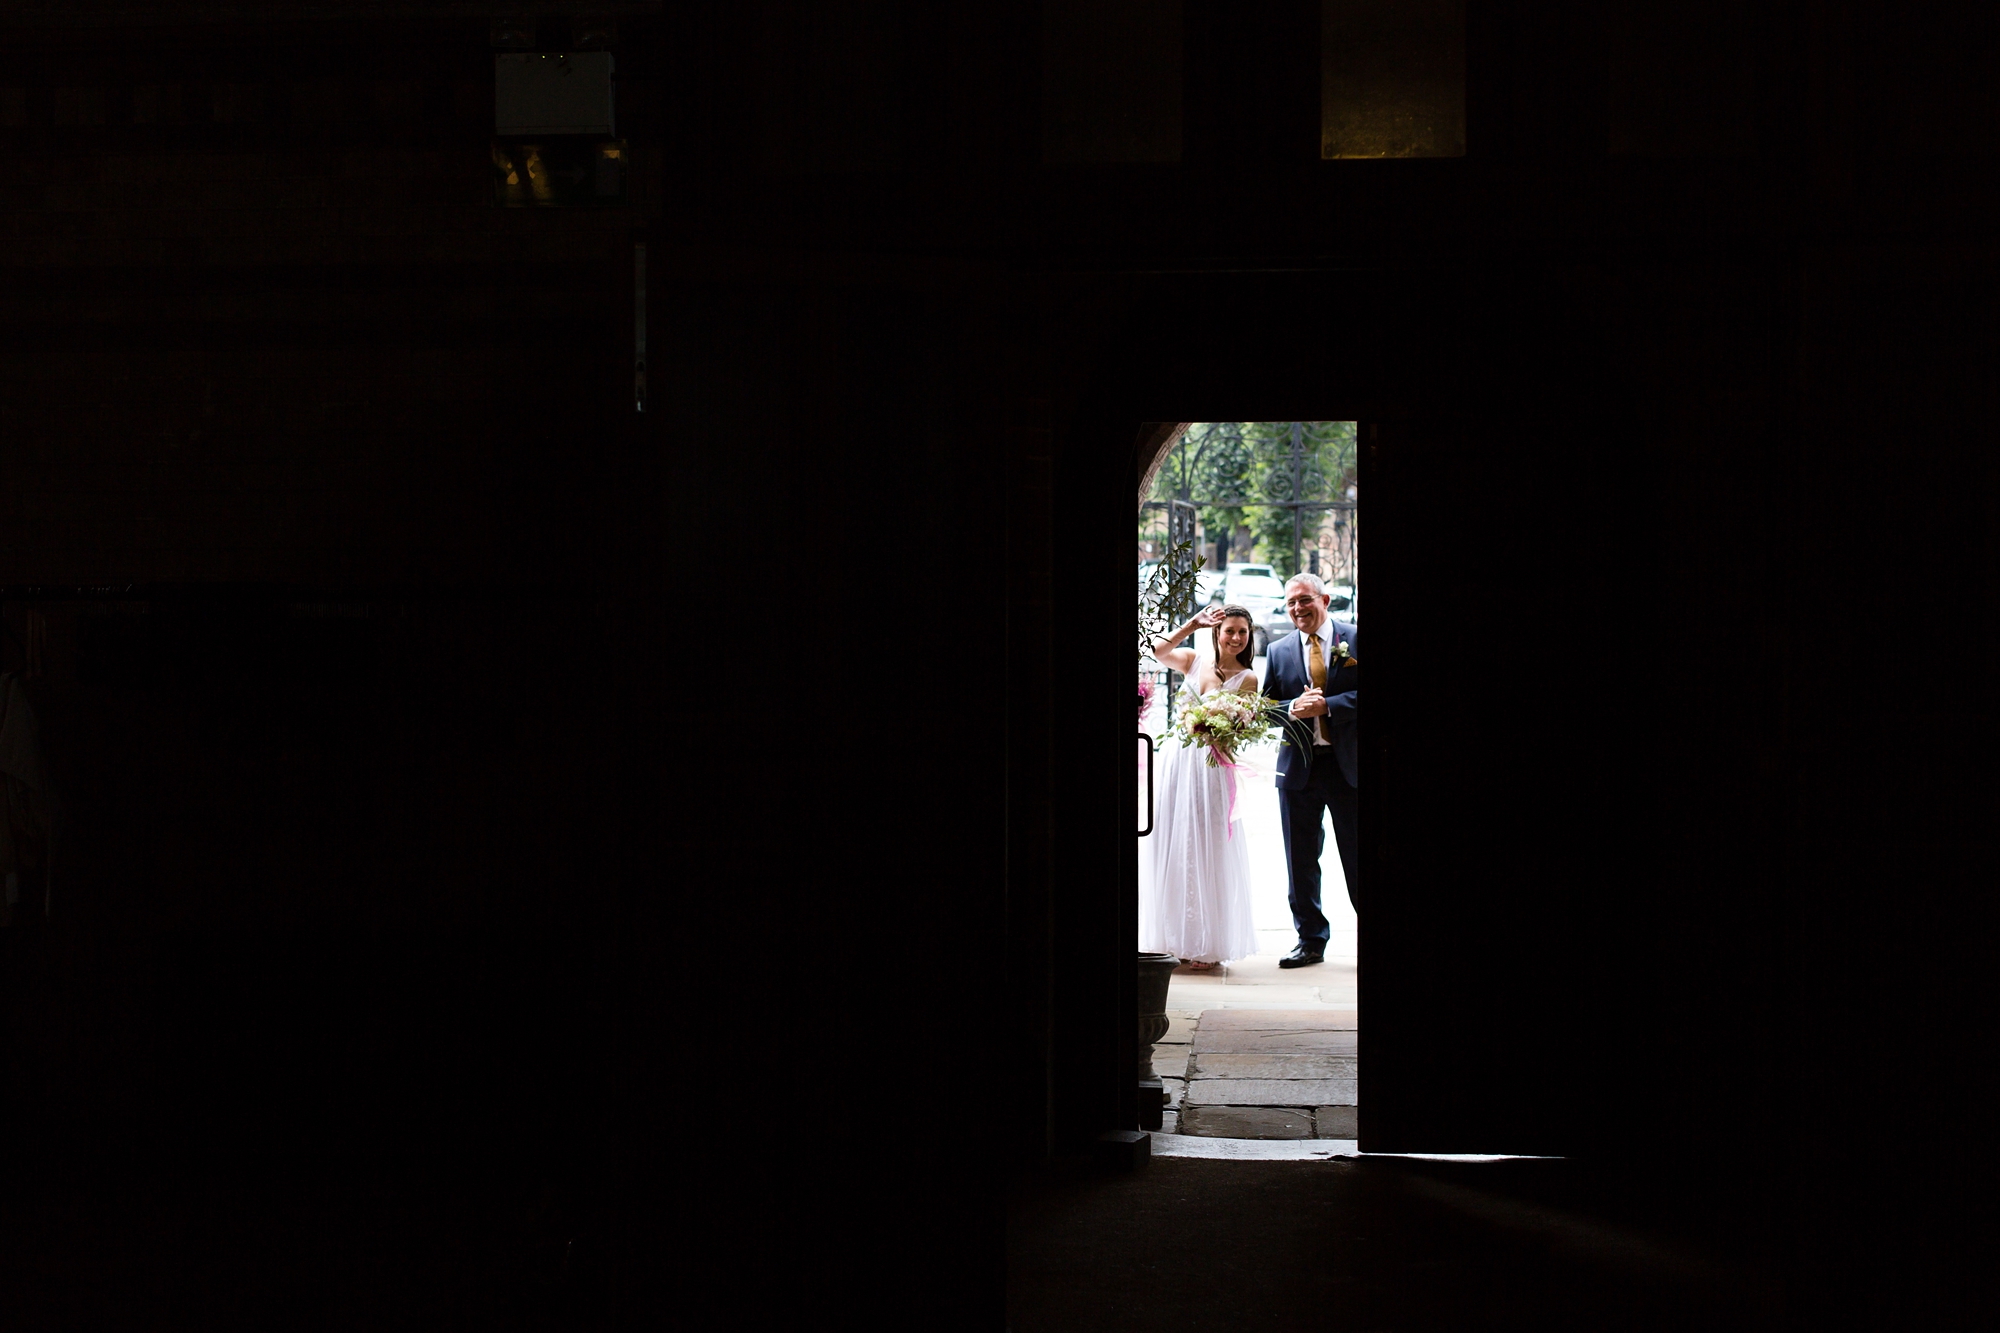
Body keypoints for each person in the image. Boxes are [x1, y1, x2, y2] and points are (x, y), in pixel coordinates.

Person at [1139, 603, 1263, 971]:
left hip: (1213, 767)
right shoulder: (1193, 659)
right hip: (1180, 763)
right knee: (1175, 842)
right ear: (1217, 632)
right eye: (1230, 631)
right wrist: (1191, 623)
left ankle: (1207, 942)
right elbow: (1157, 651)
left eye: (1243, 632)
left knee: (1208, 847)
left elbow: (1242, 733)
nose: (1236, 638)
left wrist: (1222, 727)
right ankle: (1171, 938)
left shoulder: (1249, 678)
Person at [1260, 573, 1358, 968]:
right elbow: (1267, 707)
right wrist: (1293, 710)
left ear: (1325, 599)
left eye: (1305, 600)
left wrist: (1330, 706)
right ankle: (1310, 940)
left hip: (1347, 766)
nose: (1298, 609)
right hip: (1299, 769)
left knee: (1356, 853)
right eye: (1291, 603)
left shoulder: (1353, 637)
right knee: (1299, 858)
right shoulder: (1280, 649)